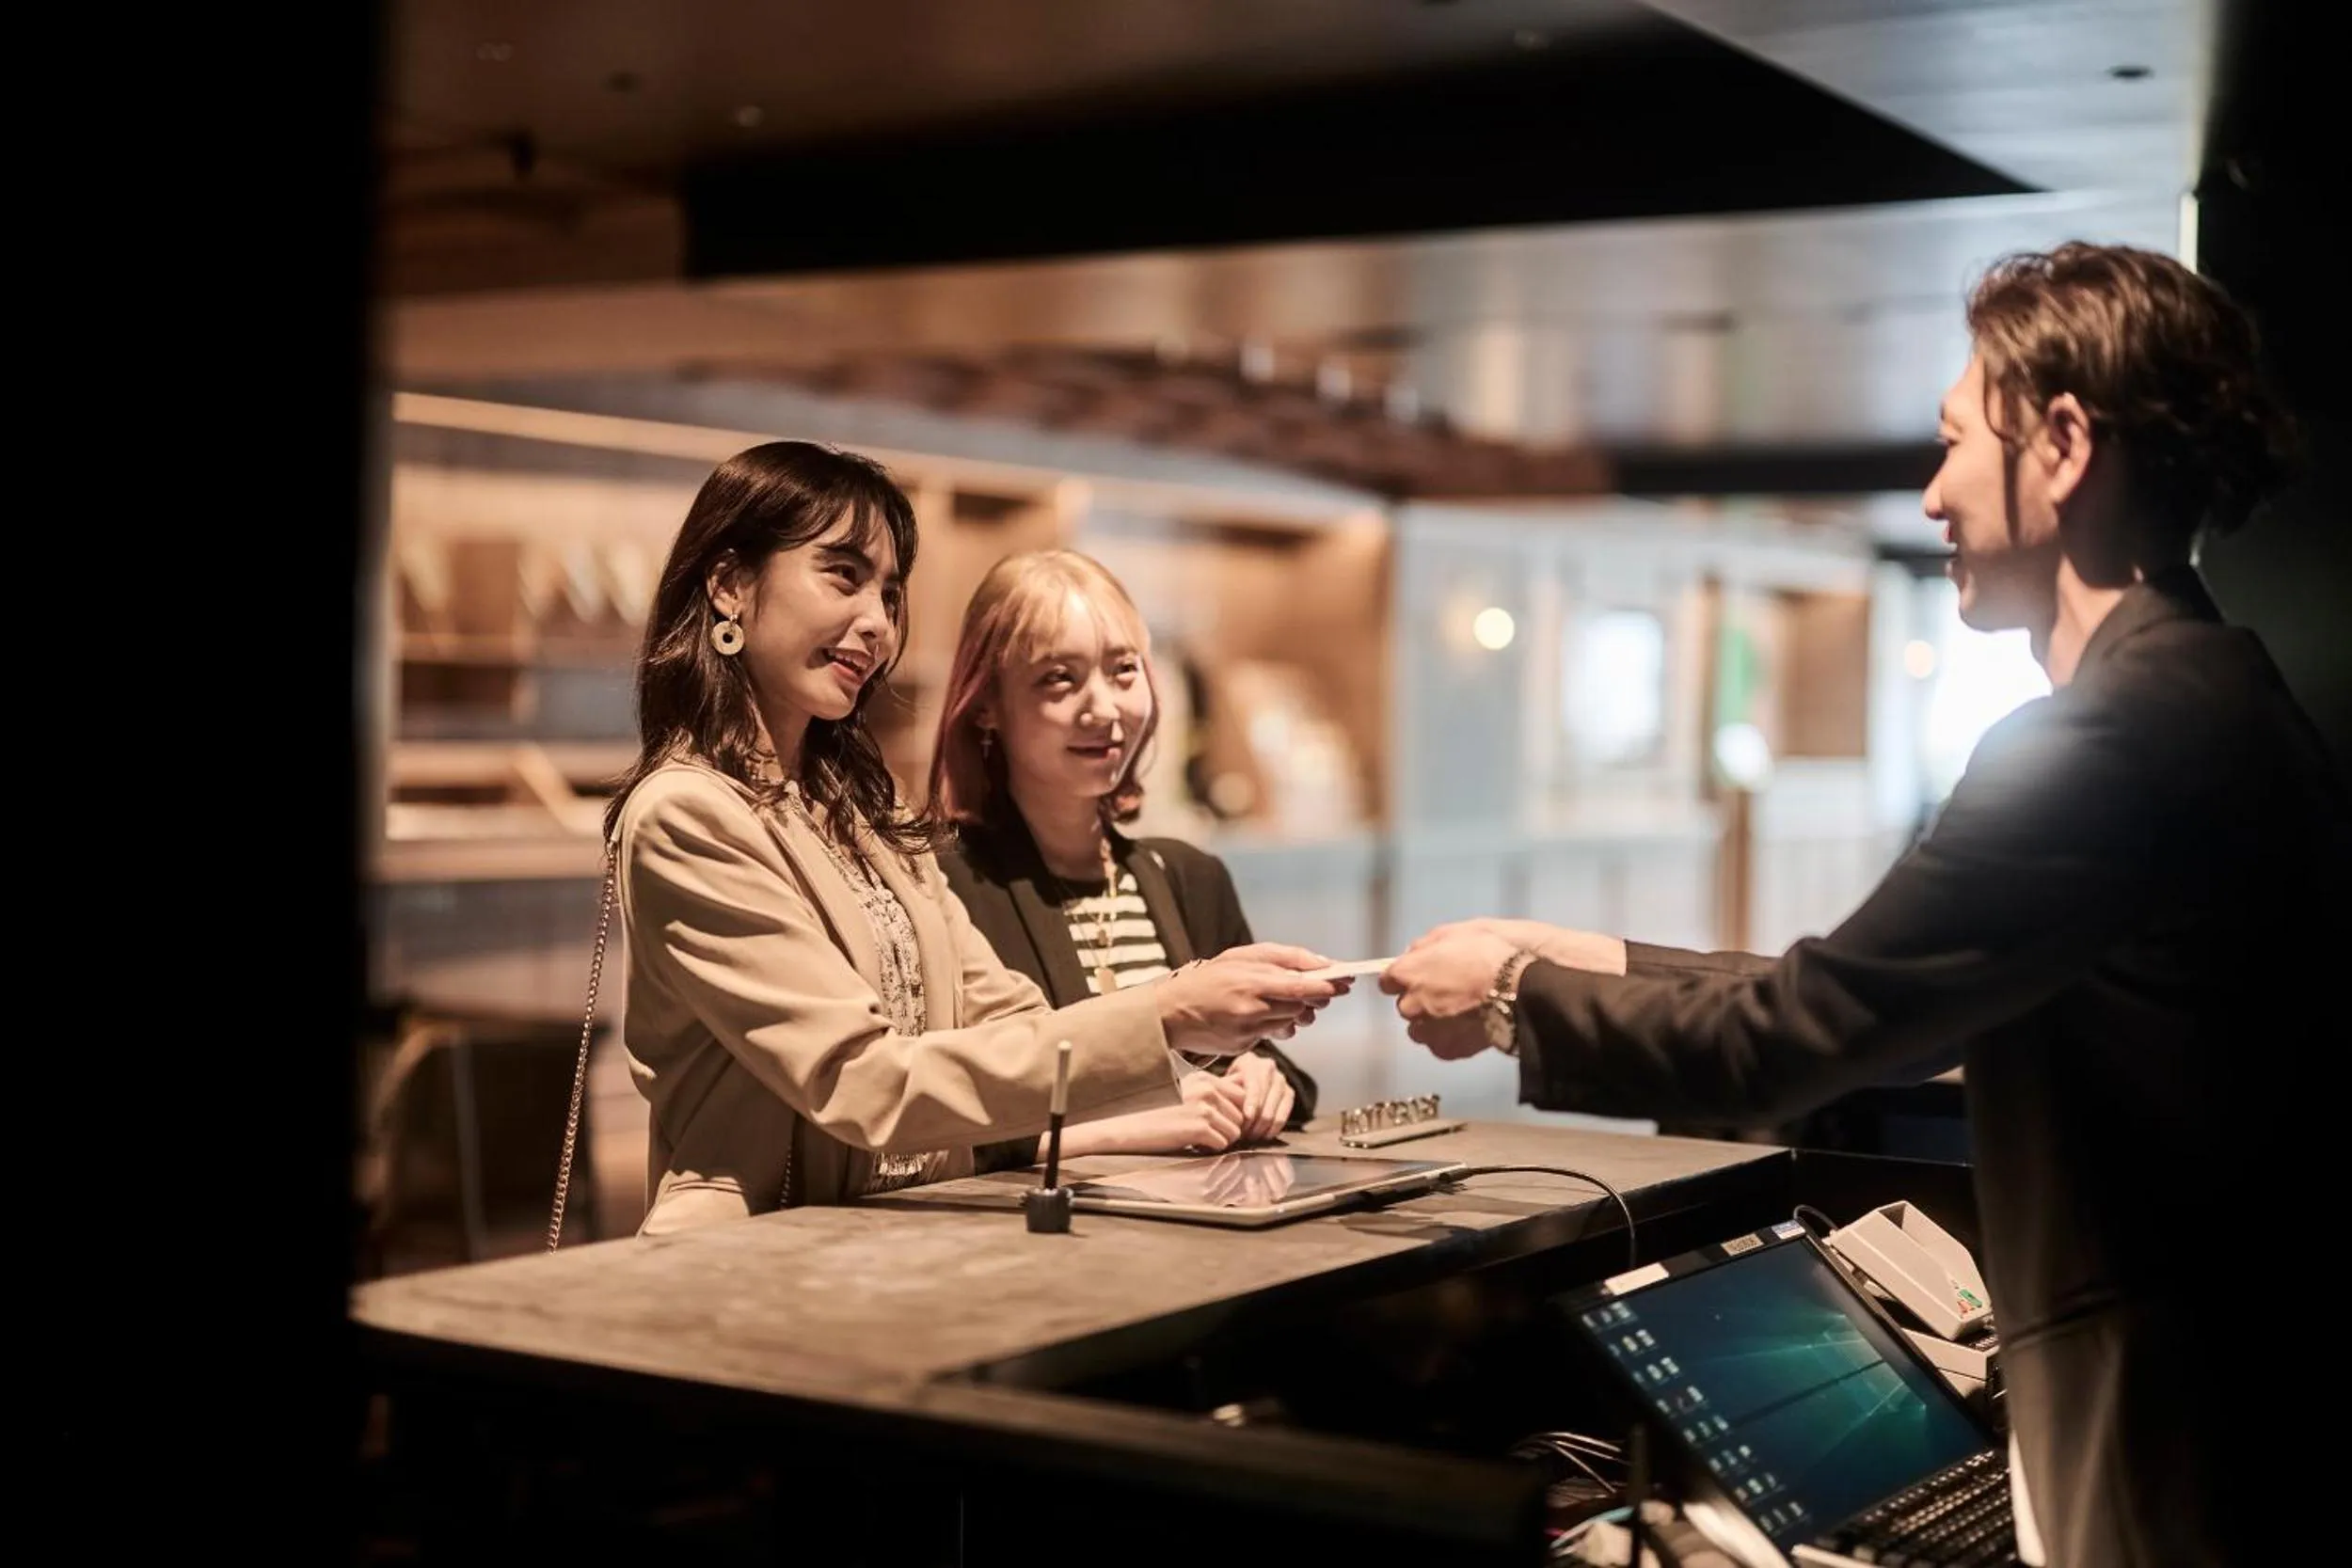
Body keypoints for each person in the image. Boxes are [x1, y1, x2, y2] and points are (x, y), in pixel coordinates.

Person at [1379, 243, 2345, 1568]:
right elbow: (1890, 982)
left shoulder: (2110, 735)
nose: (1932, 490)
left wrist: (1508, 999)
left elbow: (1810, 1026)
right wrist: (1589, 950)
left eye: (1954, 441)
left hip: (2165, 1417)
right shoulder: (2212, 694)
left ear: (2062, 444)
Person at [602, 440, 1346, 1235]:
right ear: (729, 585)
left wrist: (1193, 1066)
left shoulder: (856, 807)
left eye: (889, 593)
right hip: (756, 1256)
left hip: (899, 1236)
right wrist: (1166, 1014)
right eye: (842, 575)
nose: (875, 625)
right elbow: (863, 1080)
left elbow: (1005, 1015)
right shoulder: (689, 813)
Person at [930, 548, 1322, 1168]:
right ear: (986, 704)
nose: (1105, 708)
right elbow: (933, 1118)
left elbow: (1276, 1070)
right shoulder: (943, 883)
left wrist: (1260, 1073)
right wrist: (1133, 1122)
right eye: (1060, 677)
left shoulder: (1189, 875)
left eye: (1123, 670)